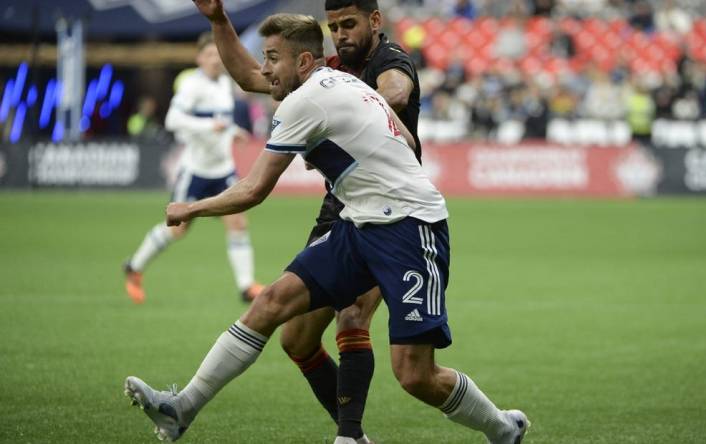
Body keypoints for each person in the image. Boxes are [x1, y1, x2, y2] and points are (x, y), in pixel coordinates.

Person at [123, 13, 529, 444]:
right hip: (358, 223)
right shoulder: (343, 83)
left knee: (415, 375)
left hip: (411, 228)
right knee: (273, 303)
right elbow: (406, 141)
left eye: (272, 58)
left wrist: (191, 208)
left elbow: (254, 189)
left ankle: (502, 428)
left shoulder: (306, 101)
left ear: (302, 62)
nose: (264, 69)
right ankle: (181, 408)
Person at [192, 0, 422, 441]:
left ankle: (350, 436)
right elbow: (248, 77)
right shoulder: (330, 70)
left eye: (349, 24)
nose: (341, 34)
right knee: (295, 340)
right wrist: (218, 20)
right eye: (333, 26)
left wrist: (355, 113)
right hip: (338, 210)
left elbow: (396, 91)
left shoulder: (389, 61)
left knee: (353, 314)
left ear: (375, 22)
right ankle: (352, 432)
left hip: (388, 210)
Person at [123, 32, 265, 304]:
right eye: (209, 55)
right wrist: (209, 126)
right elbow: (173, 119)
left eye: (217, 55)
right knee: (178, 228)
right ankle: (134, 266)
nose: (215, 60)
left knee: (237, 222)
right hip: (196, 172)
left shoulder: (224, 83)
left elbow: (220, 121)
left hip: (222, 170)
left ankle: (246, 286)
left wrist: (232, 130)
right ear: (199, 59)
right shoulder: (192, 86)